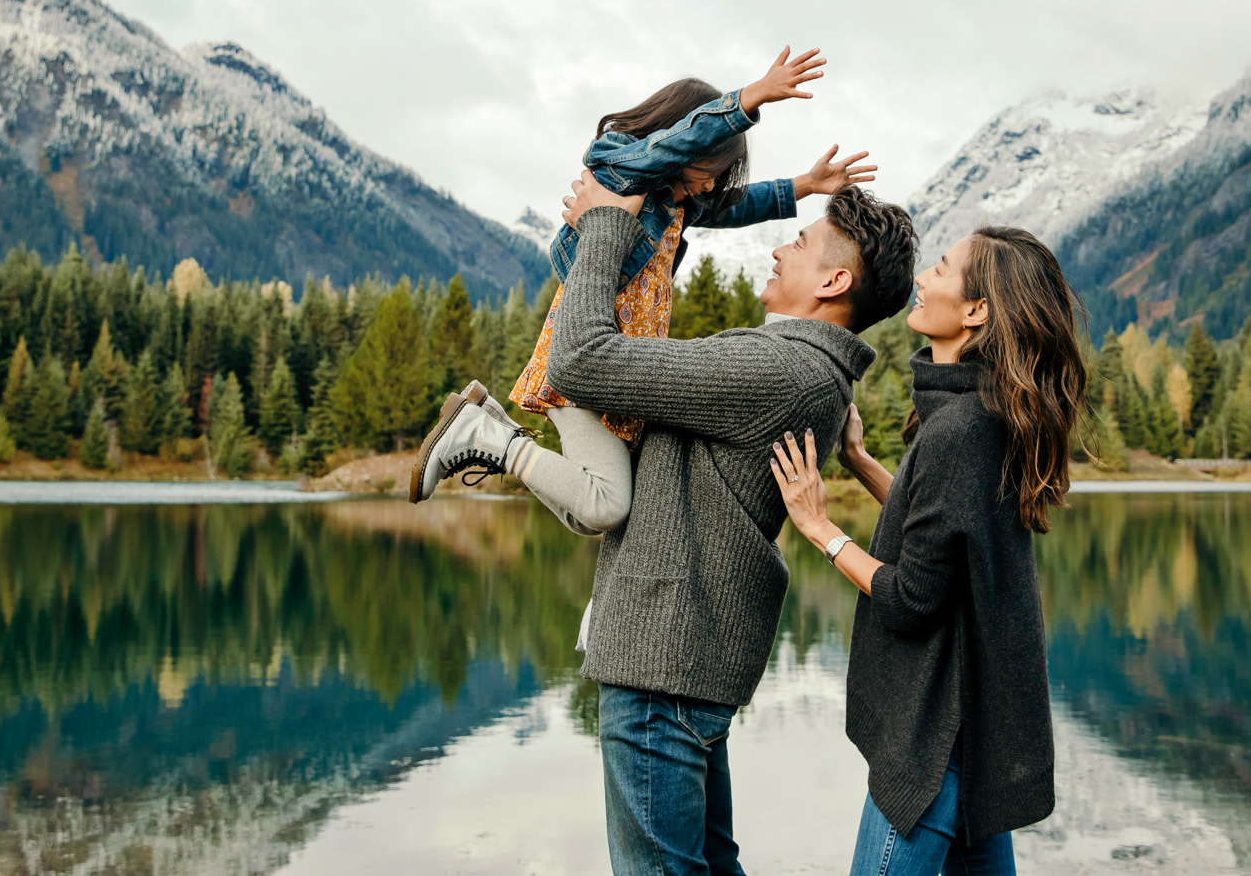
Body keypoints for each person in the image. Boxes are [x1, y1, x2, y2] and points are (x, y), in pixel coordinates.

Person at [420, 180, 918, 876]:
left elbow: (581, 361)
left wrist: (601, 229)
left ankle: (495, 440)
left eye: (798, 243)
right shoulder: (808, 372)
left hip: (665, 666)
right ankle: (497, 441)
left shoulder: (777, 367)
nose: (779, 248)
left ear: (834, 280)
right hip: (688, 660)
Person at [409, 46, 877, 534]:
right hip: (586, 349)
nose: (712, 183)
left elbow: (735, 206)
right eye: (710, 167)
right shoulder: (625, 170)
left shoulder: (681, 203)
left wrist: (804, 184)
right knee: (604, 506)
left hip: (623, 364)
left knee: (591, 516)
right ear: (685, 144)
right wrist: (748, 100)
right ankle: (483, 434)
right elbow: (668, 148)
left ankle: (491, 429)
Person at [769, 226, 1084, 876]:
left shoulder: (963, 429)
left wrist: (819, 527)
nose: (924, 277)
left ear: (976, 311)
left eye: (940, 268)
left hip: (935, 742)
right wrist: (858, 460)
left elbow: (913, 594)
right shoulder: (982, 414)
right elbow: (943, 533)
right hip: (972, 733)